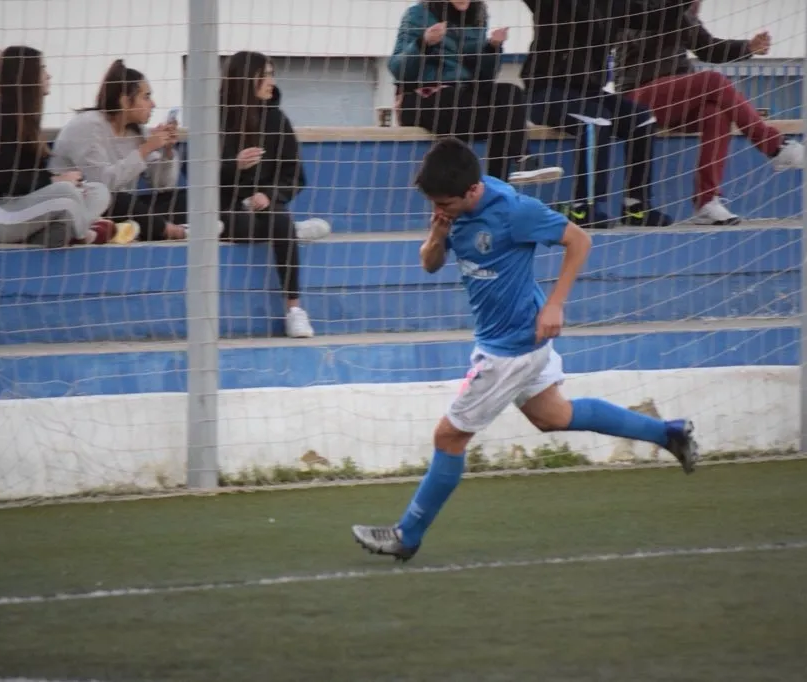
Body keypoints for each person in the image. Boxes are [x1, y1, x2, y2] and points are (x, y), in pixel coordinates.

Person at [351, 138, 699, 562]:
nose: (440, 208)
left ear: (471, 191)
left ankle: (407, 534)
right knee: (555, 417)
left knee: (449, 436)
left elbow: (580, 241)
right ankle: (668, 433)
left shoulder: (515, 211)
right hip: (511, 338)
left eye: (445, 203)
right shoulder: (453, 211)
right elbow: (429, 263)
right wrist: (437, 231)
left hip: (510, 347)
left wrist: (555, 303)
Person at [619, 0, 804, 225]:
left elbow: (706, 47)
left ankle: (706, 202)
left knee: (715, 114)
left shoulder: (681, 14)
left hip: (677, 97)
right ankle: (774, 146)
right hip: (636, 97)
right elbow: (657, 20)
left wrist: (747, 47)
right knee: (712, 80)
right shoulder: (641, 8)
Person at [519, 0, 692, 229]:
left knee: (642, 120)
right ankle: (584, 208)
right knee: (596, 120)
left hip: (590, 91)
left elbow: (655, 17)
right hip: (546, 91)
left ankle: (636, 207)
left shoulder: (614, 5)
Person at [220, 51, 332, 339]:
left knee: (278, 220)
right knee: (235, 224)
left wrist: (270, 194)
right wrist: (234, 165)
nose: (272, 81)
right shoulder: (216, 119)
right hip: (225, 205)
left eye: (272, 74)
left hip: (267, 205)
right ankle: (292, 231)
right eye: (265, 74)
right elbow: (192, 172)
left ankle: (294, 309)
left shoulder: (277, 119)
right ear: (247, 80)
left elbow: (295, 175)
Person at [390, 0, 563, 183]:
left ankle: (521, 161)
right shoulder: (417, 14)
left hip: (464, 95)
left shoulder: (477, 16)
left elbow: (485, 77)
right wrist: (423, 43)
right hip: (422, 98)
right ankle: (501, 181)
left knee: (508, 93)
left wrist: (492, 48)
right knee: (496, 115)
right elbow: (398, 69)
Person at [0, 45, 119, 247]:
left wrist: (57, 182)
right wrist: (54, 180)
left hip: (21, 208)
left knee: (98, 191)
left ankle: (59, 234)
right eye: (42, 69)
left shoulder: (26, 119)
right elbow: (5, 180)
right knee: (66, 191)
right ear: (27, 75)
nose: (48, 75)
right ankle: (84, 234)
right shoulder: (0, 118)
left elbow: (30, 181)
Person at [50, 59, 184, 241]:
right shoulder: (88, 126)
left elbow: (163, 185)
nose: (153, 104)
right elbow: (103, 184)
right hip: (84, 205)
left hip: (125, 208)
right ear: (124, 101)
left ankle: (162, 227)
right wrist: (144, 150)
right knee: (120, 200)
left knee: (181, 198)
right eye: (146, 97)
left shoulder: (136, 132)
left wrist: (166, 152)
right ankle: (168, 230)